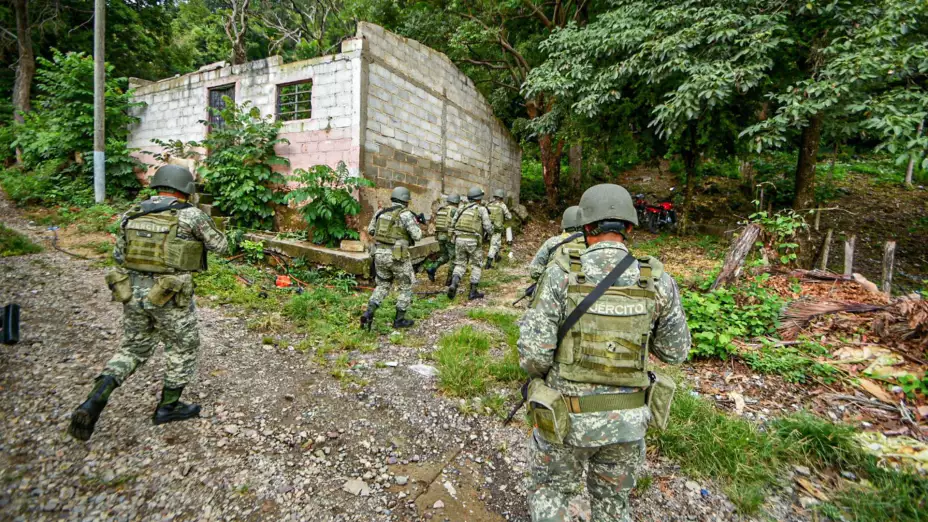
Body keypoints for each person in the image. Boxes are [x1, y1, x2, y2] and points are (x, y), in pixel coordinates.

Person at [518, 183, 691, 522]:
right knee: (614, 506)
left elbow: (534, 354)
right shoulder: (656, 277)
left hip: (564, 417)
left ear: (585, 227)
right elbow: (675, 352)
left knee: (552, 492)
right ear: (629, 227)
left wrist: (540, 376)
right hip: (627, 423)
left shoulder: (562, 272)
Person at [68, 165, 228, 441]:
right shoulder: (190, 215)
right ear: (186, 189)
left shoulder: (132, 214)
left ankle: (94, 400)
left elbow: (119, 256)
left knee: (132, 348)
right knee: (182, 347)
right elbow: (222, 247)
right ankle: (168, 407)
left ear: (156, 186)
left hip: (132, 294)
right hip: (170, 296)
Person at [360, 187, 424, 330]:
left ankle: (369, 313)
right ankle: (399, 320)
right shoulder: (406, 214)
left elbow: (371, 230)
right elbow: (417, 236)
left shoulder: (381, 212)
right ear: (406, 200)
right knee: (405, 287)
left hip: (379, 254)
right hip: (397, 257)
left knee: (382, 285)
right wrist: (416, 223)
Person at [448, 186, 494, 300]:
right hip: (473, 241)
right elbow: (488, 227)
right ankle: (473, 292)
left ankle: (454, 283)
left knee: (460, 264)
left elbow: (452, 223)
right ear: (479, 198)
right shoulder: (481, 209)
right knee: (476, 265)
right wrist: (492, 232)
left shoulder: (461, 208)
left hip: (459, 240)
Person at [527, 205, 584, 282]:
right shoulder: (592, 242)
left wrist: (550, 274)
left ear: (563, 223)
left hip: (556, 288)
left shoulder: (552, 242)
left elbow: (534, 271)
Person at [425, 194, 460, 286]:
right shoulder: (455, 210)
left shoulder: (441, 210)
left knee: (445, 256)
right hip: (449, 237)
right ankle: (449, 281)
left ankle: (432, 268)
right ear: (457, 202)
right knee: (454, 258)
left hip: (439, 237)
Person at [485, 189, 513, 269]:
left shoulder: (489, 204)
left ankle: (496, 257)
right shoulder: (502, 205)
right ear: (501, 197)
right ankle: (488, 264)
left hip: (488, 228)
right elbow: (509, 216)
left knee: (497, 242)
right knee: (494, 245)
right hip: (497, 229)